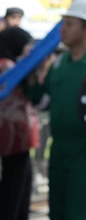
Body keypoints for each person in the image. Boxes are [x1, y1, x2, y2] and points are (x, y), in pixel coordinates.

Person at [23, 0, 86, 219]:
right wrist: (30, 78)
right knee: (56, 212)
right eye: (63, 23)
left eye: (69, 24)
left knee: (77, 213)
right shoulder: (58, 63)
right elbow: (43, 101)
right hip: (58, 151)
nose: (63, 30)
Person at [0, 26, 37, 220]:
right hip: (14, 139)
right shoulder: (7, 66)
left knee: (18, 186)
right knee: (14, 190)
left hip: (13, 139)